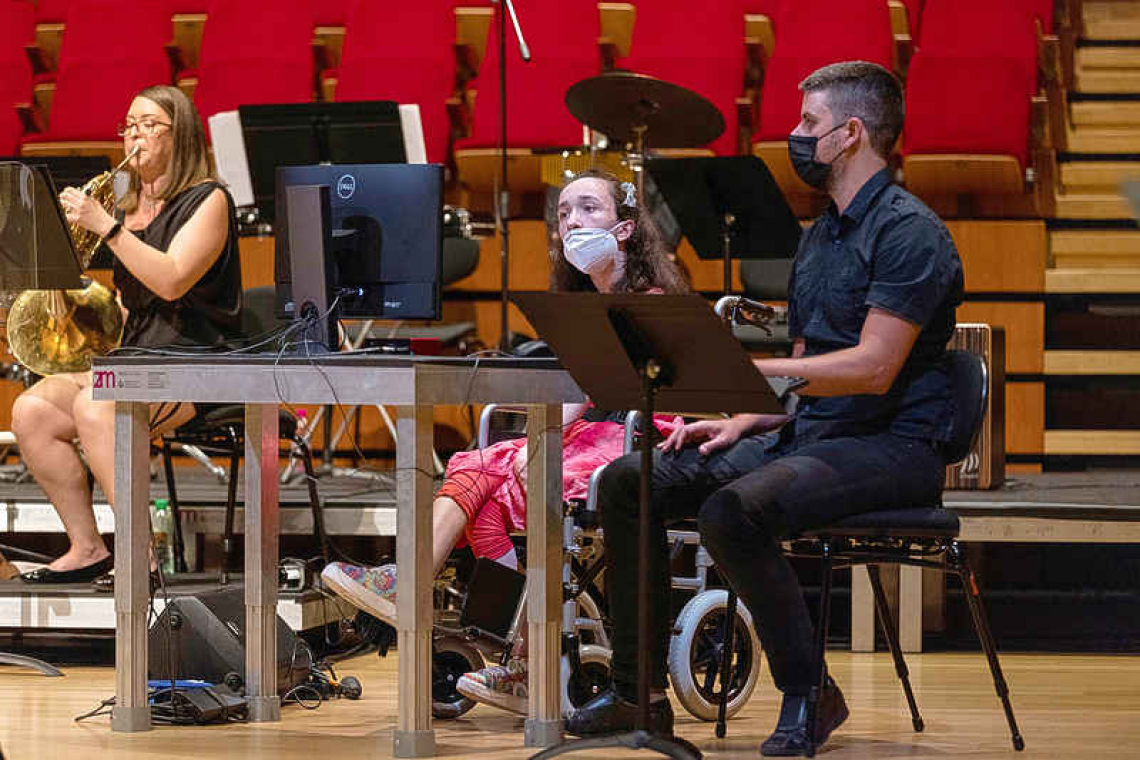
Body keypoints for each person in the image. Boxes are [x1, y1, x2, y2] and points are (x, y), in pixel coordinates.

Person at [566, 61, 965, 758]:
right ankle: (640, 694)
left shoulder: (910, 233)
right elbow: (812, 362)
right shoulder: (821, 234)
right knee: (630, 479)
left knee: (732, 510)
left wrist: (757, 370)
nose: (794, 135)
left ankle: (811, 692)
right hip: (812, 433)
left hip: (893, 447)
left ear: (850, 134)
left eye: (808, 123)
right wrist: (750, 415)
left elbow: (872, 369)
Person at [320, 168, 688, 714]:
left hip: (636, 435)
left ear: (626, 229)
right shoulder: (584, 303)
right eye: (564, 213)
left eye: (589, 209)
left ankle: (411, 579)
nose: (572, 222)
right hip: (591, 430)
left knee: (498, 466)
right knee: (484, 478)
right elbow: (573, 400)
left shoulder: (652, 299)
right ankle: (516, 656)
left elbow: (621, 392)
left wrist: (537, 444)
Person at [14, 85, 242, 588]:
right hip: (135, 356)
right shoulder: (128, 202)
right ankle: (88, 547)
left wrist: (109, 229)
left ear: (179, 133)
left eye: (148, 125)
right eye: (128, 125)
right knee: (31, 410)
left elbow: (172, 278)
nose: (133, 136)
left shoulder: (209, 200)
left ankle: (144, 559)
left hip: (194, 361)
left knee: (97, 407)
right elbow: (132, 299)